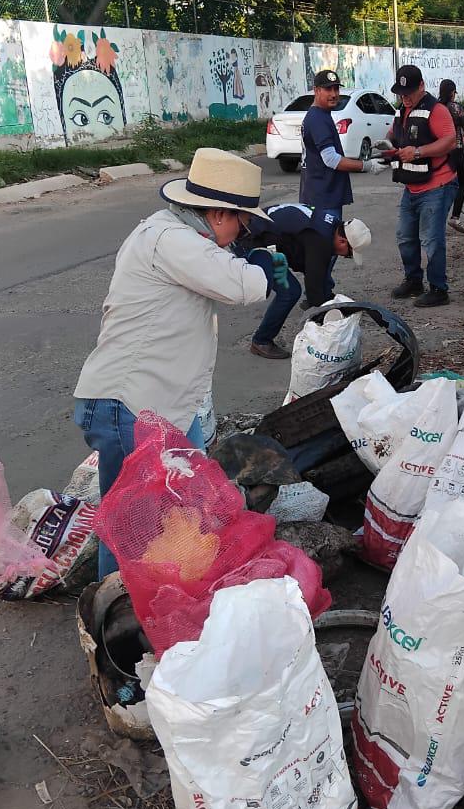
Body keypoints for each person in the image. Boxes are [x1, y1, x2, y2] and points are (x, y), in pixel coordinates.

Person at [73, 148, 288, 577]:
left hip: (164, 406)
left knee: (183, 507)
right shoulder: (168, 239)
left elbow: (225, 272)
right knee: (131, 525)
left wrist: (251, 260)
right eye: (242, 224)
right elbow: (242, 284)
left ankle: (169, 590)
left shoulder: (185, 240)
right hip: (128, 404)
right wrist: (261, 261)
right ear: (216, 214)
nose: (242, 234)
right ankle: (117, 616)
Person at [236, 202, 374, 357]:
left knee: (302, 285)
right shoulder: (320, 241)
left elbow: (317, 273)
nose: (345, 256)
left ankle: (262, 339)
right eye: (349, 253)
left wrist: (330, 302)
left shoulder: (329, 225)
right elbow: (314, 289)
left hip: (262, 233)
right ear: (343, 241)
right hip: (249, 240)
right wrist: (328, 322)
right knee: (290, 292)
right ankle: (261, 341)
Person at [387, 64, 460, 307]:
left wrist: (418, 152)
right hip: (413, 186)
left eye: (409, 92)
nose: (404, 97)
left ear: (422, 86)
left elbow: (450, 141)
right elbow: (394, 134)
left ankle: (439, 289)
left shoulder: (436, 110)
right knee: (405, 236)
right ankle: (414, 281)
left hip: (438, 185)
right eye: (400, 93)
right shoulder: (402, 110)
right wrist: (386, 145)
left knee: (432, 239)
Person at [298, 68, 383, 262]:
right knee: (326, 253)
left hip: (321, 195)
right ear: (316, 90)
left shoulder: (320, 115)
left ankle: (324, 290)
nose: (334, 94)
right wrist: (366, 166)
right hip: (323, 198)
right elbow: (331, 160)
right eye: (328, 89)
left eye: (336, 89)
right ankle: (322, 292)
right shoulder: (318, 118)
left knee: (325, 253)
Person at [439, 78, 464, 234]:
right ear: (452, 92)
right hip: (456, 150)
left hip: (438, 152)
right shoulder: (457, 108)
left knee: (441, 184)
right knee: (462, 183)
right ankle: (455, 216)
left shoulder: (436, 107)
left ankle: (437, 216)